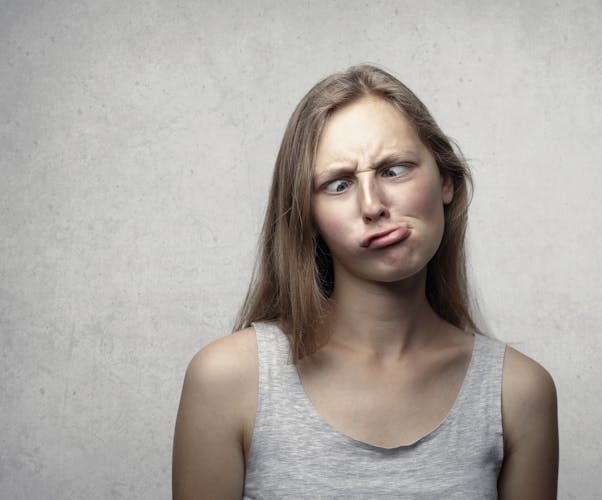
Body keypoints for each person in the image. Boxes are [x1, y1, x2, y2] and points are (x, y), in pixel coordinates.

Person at [172, 65, 558, 499]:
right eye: (338, 185)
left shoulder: (518, 394)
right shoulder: (228, 381)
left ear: (446, 181)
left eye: (394, 170)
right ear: (308, 217)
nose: (372, 206)